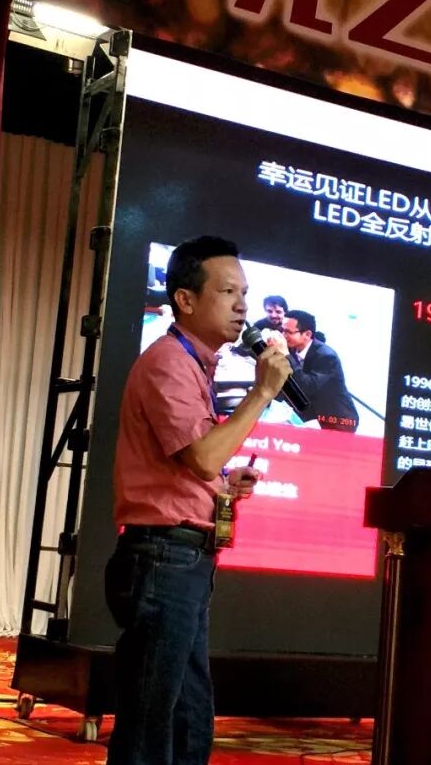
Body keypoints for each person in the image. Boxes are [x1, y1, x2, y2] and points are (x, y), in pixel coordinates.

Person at [105, 235, 292, 765]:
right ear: (185, 300)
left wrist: (224, 485)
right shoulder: (169, 362)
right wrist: (262, 392)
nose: (243, 306)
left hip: (182, 560)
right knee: (150, 726)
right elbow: (204, 457)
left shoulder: (196, 365)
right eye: (228, 292)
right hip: (162, 559)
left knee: (188, 721)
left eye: (245, 293)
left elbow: (197, 465)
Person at [282, 309, 360, 432]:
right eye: (282, 330)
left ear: (307, 334)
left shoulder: (326, 356)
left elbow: (306, 386)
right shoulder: (292, 348)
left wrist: (285, 355)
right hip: (310, 417)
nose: (283, 335)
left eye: (288, 332)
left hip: (336, 420)